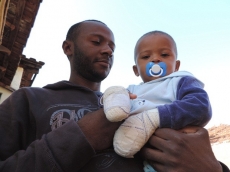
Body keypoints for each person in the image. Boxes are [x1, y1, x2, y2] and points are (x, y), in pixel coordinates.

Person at [0, 20, 228, 172]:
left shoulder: (136, 100)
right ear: (68, 47)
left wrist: (213, 169)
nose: (108, 50)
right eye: (97, 42)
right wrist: (81, 135)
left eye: (112, 47)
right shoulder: (27, 99)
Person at [102, 31, 211, 158]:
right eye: (146, 57)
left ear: (176, 65)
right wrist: (116, 95)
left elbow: (200, 107)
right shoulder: (132, 90)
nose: (155, 59)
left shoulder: (181, 81)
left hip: (174, 153)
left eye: (164, 54)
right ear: (136, 70)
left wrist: (153, 118)